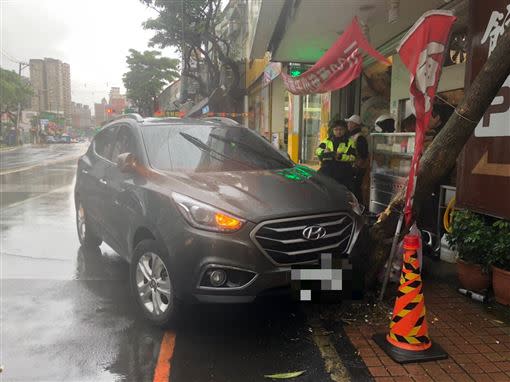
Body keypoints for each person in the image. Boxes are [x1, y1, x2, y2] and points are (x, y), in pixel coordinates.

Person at [315, 120, 356, 190]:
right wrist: (324, 152)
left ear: (345, 130)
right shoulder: (327, 141)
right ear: (332, 130)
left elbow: (353, 157)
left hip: (343, 171)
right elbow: (317, 151)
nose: (338, 132)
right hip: (327, 169)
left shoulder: (350, 142)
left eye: (341, 129)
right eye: (336, 129)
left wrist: (340, 157)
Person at [345, 114, 369, 203]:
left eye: (350, 123)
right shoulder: (352, 136)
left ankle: (360, 208)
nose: (348, 125)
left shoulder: (360, 137)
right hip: (353, 167)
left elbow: (363, 155)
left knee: (356, 189)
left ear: (355, 124)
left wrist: (357, 168)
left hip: (357, 168)